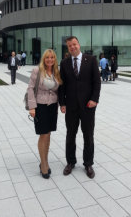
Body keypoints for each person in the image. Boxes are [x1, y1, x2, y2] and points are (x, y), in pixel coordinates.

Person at [59, 36, 101, 179]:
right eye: (69, 46)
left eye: (74, 44)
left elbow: (97, 82)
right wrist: (62, 103)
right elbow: (62, 85)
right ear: (68, 48)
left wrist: (94, 100)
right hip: (70, 107)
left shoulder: (91, 60)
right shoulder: (64, 63)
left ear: (79, 44)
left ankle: (88, 164)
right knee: (70, 135)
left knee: (88, 135)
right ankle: (70, 162)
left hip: (88, 106)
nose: (72, 47)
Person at [27, 49, 62, 179]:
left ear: (55, 59)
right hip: (40, 106)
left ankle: (44, 161)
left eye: (52, 57)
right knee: (43, 135)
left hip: (52, 106)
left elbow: (59, 90)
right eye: (47, 57)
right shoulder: (37, 70)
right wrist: (32, 107)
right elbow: (30, 88)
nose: (50, 60)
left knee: (48, 134)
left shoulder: (56, 71)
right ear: (44, 58)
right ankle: (44, 165)